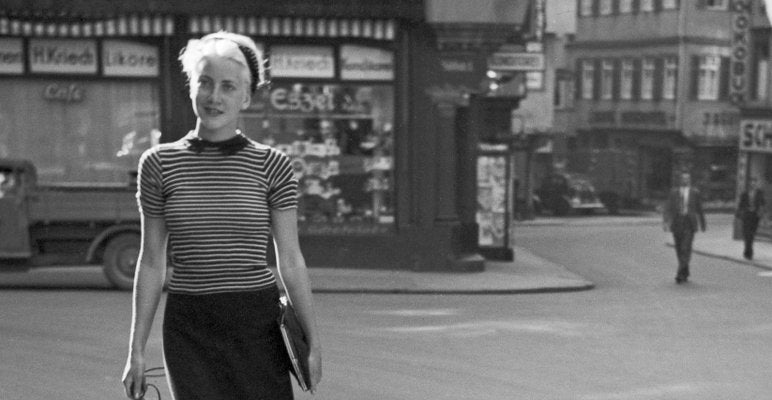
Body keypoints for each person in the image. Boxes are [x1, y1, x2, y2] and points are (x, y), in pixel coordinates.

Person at [122, 31, 322, 400]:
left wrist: (312, 341)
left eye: (228, 87)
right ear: (192, 87)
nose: (215, 97)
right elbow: (151, 261)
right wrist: (136, 349)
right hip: (189, 327)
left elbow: (290, 259)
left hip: (257, 323)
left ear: (245, 96)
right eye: (206, 83)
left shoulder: (272, 165)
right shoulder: (158, 164)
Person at [663, 171, 706, 284]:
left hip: (689, 223)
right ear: (680, 180)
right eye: (683, 178)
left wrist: (702, 223)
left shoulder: (695, 192)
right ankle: (685, 270)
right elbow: (668, 207)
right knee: (678, 248)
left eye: (688, 179)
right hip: (677, 222)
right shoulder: (674, 192)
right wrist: (666, 221)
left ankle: (679, 273)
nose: (685, 180)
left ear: (690, 180)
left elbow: (699, 209)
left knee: (685, 248)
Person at [736, 176, 766, 260]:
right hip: (746, 215)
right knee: (747, 234)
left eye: (754, 182)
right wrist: (739, 214)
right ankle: (749, 252)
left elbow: (763, 203)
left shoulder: (760, 193)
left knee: (751, 235)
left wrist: (762, 214)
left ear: (756, 183)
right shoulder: (745, 193)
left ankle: (747, 251)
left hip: (755, 216)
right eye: (752, 182)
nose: (753, 183)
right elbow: (740, 205)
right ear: (749, 183)